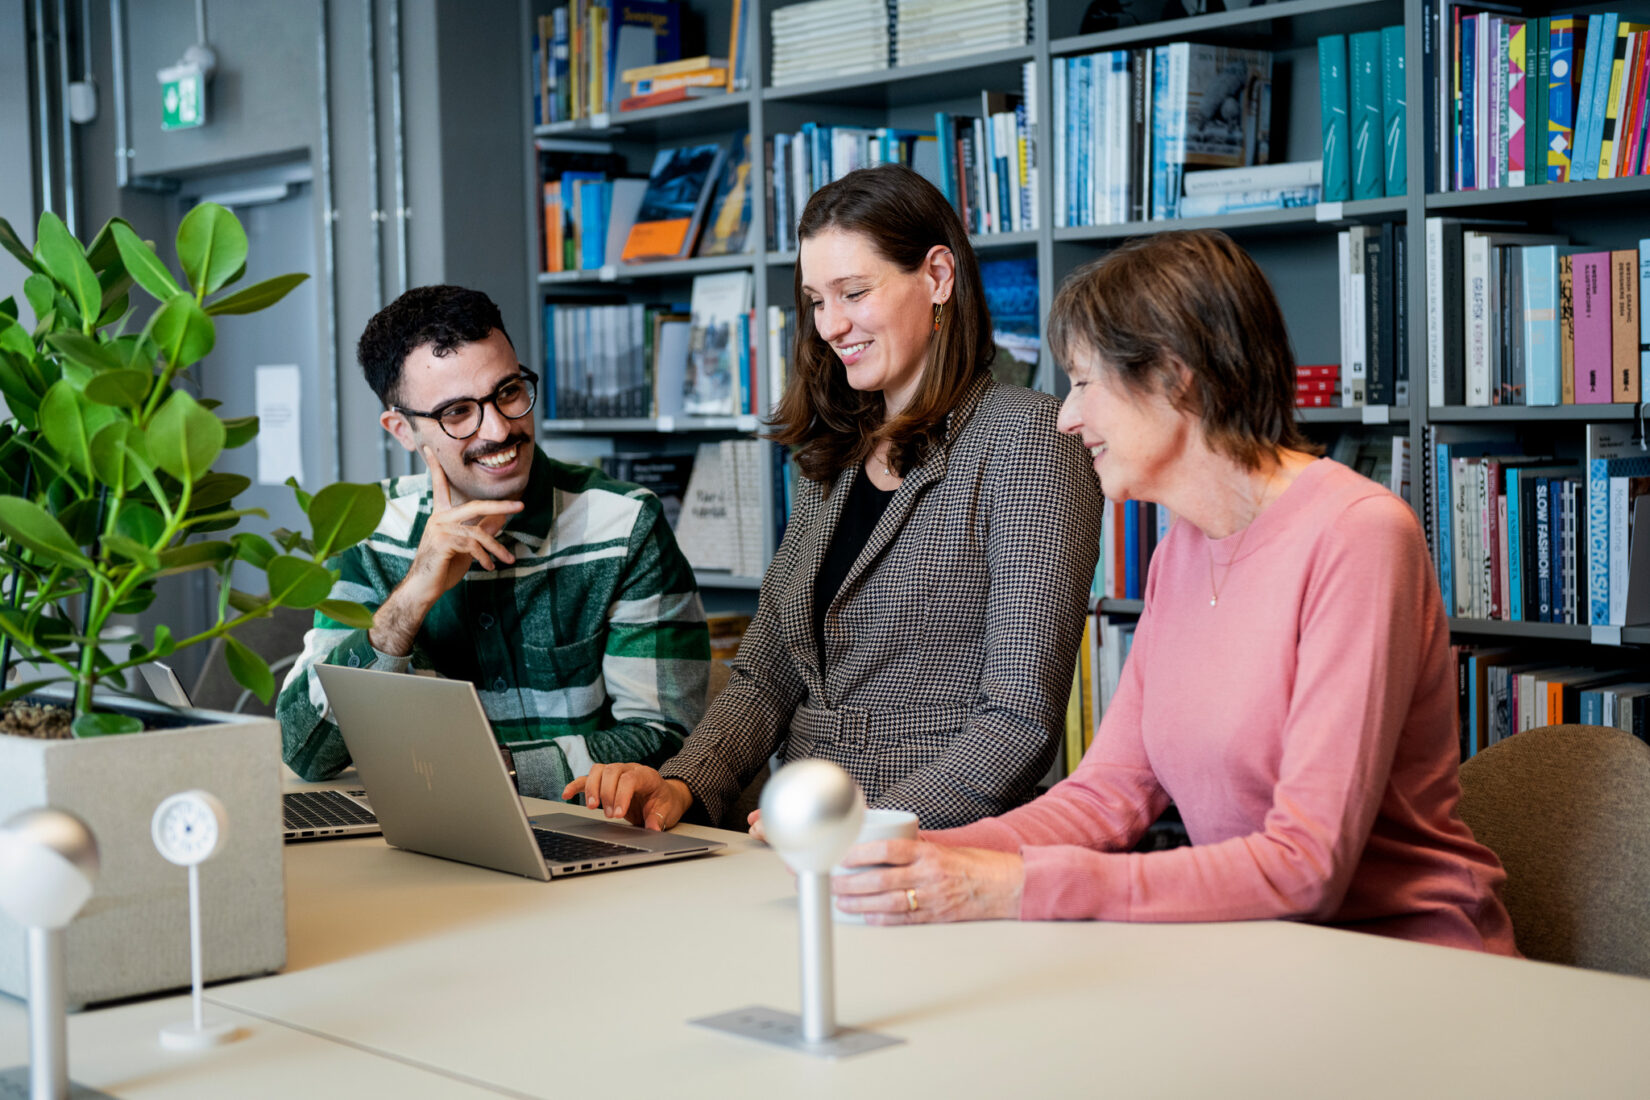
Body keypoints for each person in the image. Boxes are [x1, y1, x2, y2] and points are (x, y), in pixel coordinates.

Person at [830, 230, 1518, 955]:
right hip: (1262, 954)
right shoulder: (1179, 551)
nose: (1066, 417)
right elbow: (1107, 797)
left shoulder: (1359, 534)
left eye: (1085, 383)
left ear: (1173, 376)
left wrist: (1012, 887)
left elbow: (1306, 867)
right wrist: (907, 853)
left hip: (1407, 961)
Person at [565, 164, 1103, 830]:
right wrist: (681, 784)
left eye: (853, 292)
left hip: (932, 843)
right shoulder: (833, 454)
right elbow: (766, 674)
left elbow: (1018, 724)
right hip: (793, 827)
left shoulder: (1027, 438)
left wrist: (859, 828)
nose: (831, 325)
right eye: (817, 300)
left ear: (937, 276)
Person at [277, 285, 710, 800]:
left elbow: (668, 742)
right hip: (418, 844)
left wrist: (482, 774)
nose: (500, 429)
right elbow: (304, 750)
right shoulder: (369, 532)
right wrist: (412, 597)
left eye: (508, 392)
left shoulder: (624, 523)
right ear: (402, 430)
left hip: (584, 836)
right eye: (458, 412)